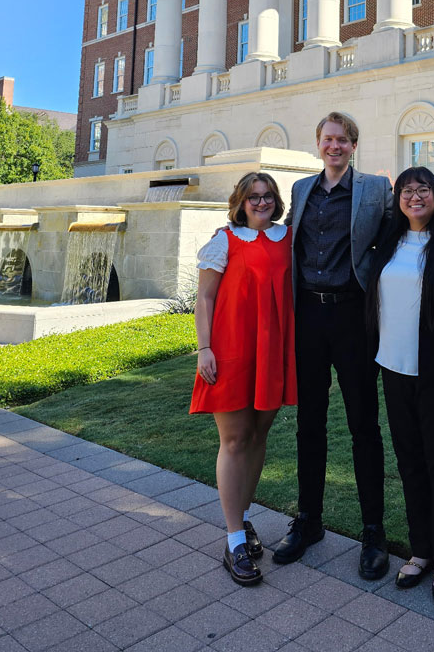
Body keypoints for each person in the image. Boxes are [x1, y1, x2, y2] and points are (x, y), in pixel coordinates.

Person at [272, 112, 393, 580]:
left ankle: (373, 530)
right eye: (328, 139)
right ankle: (309, 521)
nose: (335, 146)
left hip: (353, 316)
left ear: (354, 145)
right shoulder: (302, 190)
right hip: (309, 316)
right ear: (318, 144)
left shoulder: (375, 190)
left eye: (343, 140)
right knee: (310, 423)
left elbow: (403, 229)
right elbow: (281, 238)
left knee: (364, 424)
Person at [366, 168, 434, 607]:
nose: (414, 196)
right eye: (406, 190)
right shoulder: (388, 243)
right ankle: (421, 550)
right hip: (394, 369)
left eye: (422, 189)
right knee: (410, 463)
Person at [190, 172, 296, 587]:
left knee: (257, 437)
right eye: (254, 196)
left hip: (273, 353)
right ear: (240, 200)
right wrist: (204, 349)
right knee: (234, 440)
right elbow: (205, 298)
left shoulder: (287, 237)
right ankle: (234, 540)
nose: (261, 202)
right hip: (232, 351)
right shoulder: (224, 240)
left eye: (268, 195)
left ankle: (245, 518)